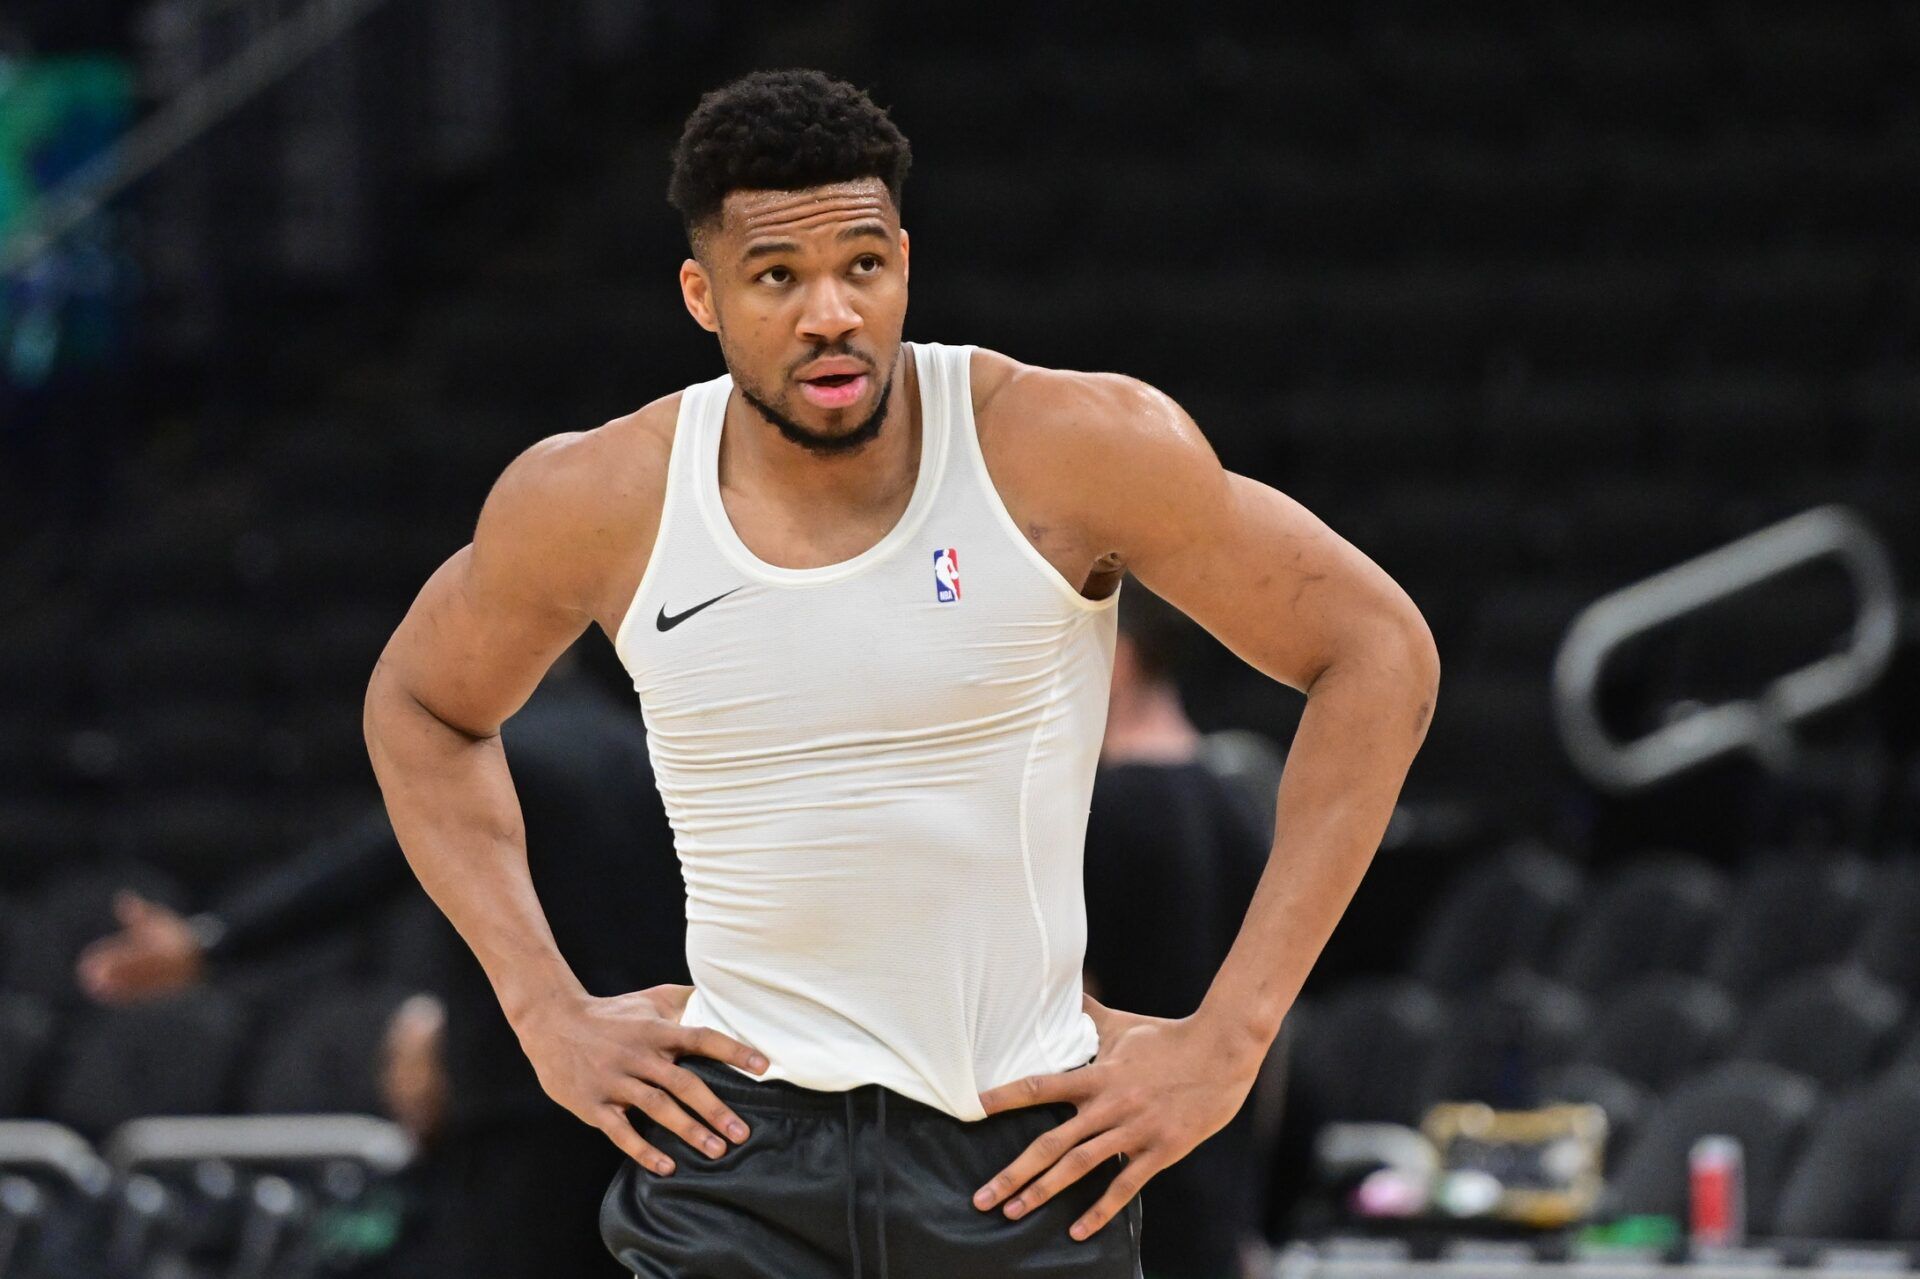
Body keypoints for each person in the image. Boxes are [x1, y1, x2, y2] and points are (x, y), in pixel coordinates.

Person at [361, 68, 1440, 1279]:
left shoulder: (1069, 448)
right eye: (779, 278)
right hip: (732, 1162)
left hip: (1017, 1158)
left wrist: (1232, 1036)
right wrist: (541, 1007)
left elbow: (1378, 652)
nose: (831, 312)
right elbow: (419, 704)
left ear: (906, 265)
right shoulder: (598, 498)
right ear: (702, 295)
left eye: (861, 265)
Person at [76, 663, 681, 1278]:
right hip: (648, 1098)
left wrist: (213, 942)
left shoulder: (496, 755)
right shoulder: (652, 757)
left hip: (516, 1101)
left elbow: (357, 874)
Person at [1084, 580, 1277, 1279]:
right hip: (1219, 1173)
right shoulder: (1237, 800)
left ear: (1121, 657)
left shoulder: (1099, 809)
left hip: (1115, 1176)